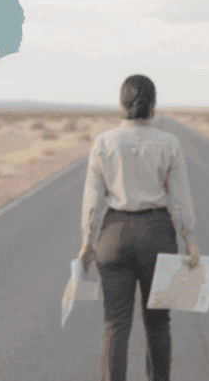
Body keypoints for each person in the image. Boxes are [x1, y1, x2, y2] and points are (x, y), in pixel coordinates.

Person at [77, 74, 200, 381]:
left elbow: (93, 200)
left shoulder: (104, 142)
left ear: (121, 103)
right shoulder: (168, 143)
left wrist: (86, 241)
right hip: (157, 235)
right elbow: (180, 199)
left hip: (113, 234)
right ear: (153, 106)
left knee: (115, 324)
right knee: (158, 323)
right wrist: (191, 241)